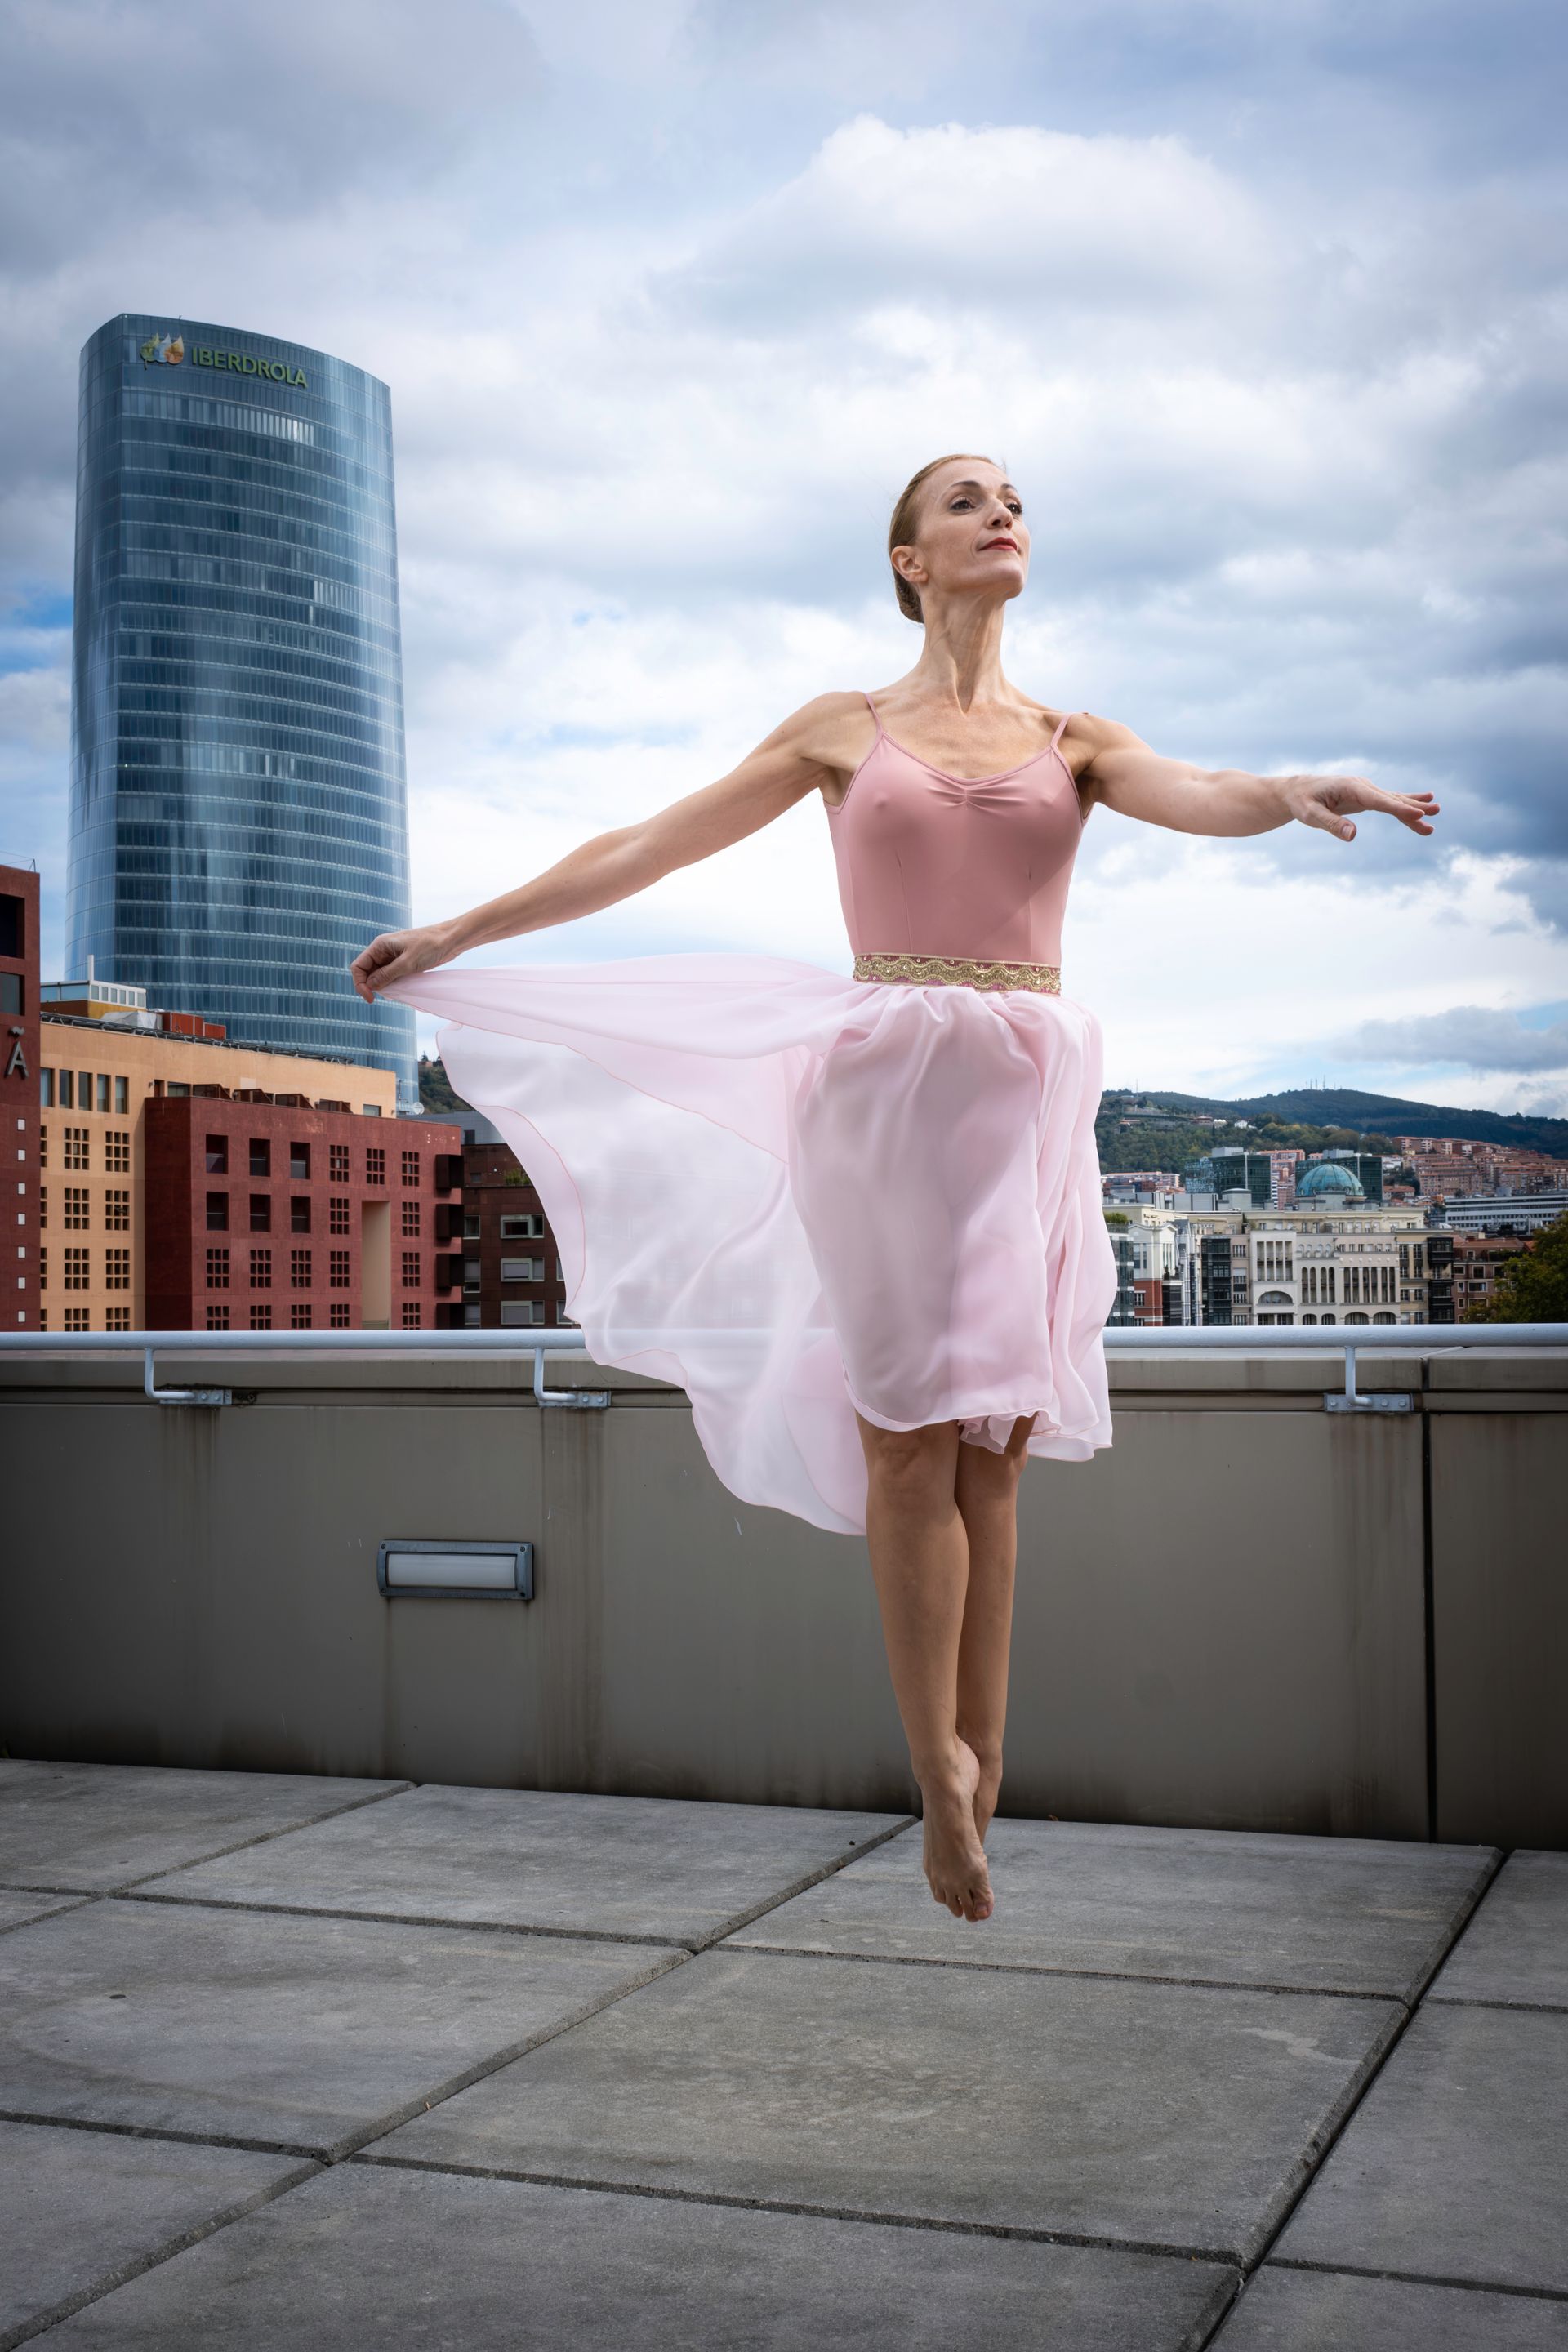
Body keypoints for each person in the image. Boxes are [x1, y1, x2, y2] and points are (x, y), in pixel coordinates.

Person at [352, 452, 1440, 1925]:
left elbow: (1206, 788)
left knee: (993, 1451)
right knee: (910, 1442)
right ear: (910, 560)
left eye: (1014, 499)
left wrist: (1293, 788)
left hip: (1021, 1104)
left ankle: (979, 1763)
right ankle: (936, 1765)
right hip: (883, 1098)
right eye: (963, 501)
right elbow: (643, 846)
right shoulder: (841, 729)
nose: (1002, 512)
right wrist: (462, 930)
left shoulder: (1076, 738)